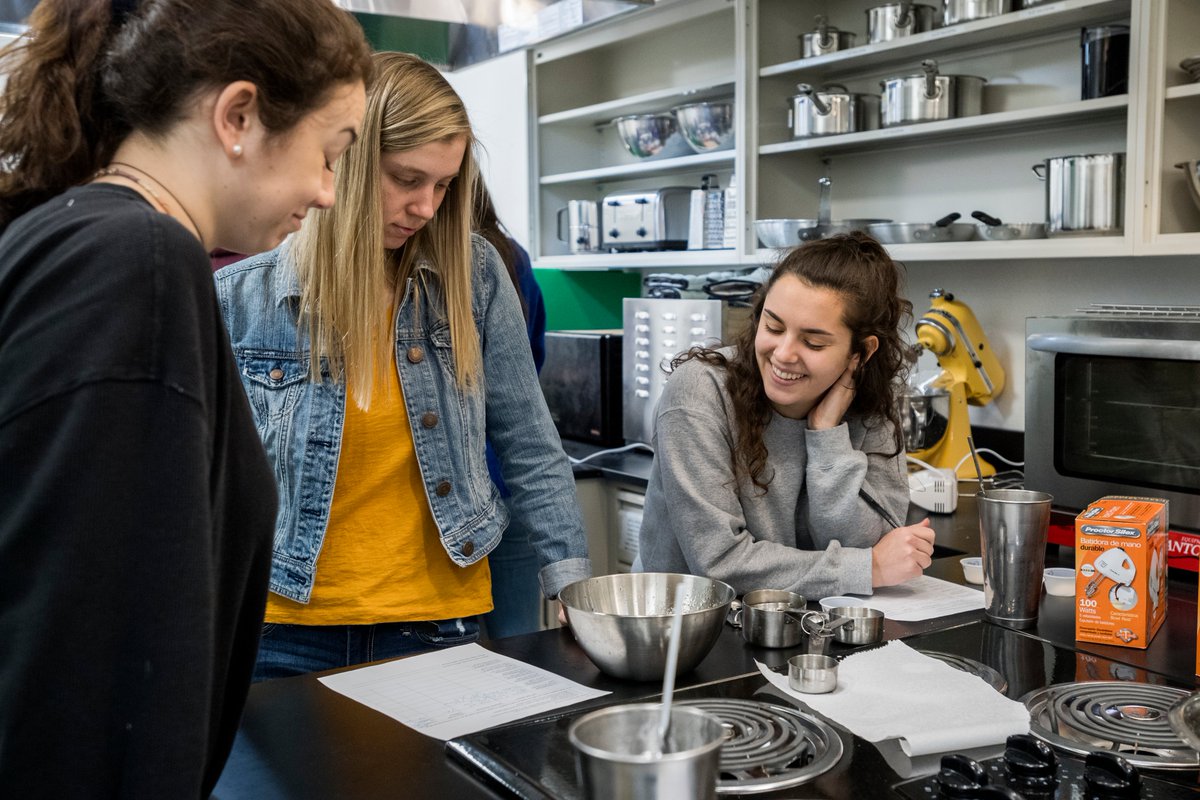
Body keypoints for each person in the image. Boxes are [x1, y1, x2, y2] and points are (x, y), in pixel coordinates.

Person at [0, 0, 371, 796]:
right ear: (239, 115)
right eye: (330, 153)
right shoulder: (138, 262)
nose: (331, 193)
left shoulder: (71, 239)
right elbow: (95, 662)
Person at [214, 52, 591, 681]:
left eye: (444, 185)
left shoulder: (474, 277)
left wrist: (575, 589)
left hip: (436, 624)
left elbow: (530, 443)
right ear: (351, 162)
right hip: (281, 628)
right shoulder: (242, 298)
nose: (427, 206)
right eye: (407, 178)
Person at [635, 233, 936, 598]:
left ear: (861, 352)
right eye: (773, 327)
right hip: (688, 629)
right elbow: (720, 563)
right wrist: (866, 567)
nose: (783, 354)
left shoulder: (869, 408)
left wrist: (826, 435)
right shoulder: (701, 390)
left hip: (810, 628)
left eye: (813, 342)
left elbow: (873, 541)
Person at [474, 181, 549, 639]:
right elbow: (528, 372)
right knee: (520, 646)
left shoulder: (489, 261)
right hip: (508, 480)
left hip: (453, 494)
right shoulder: (511, 256)